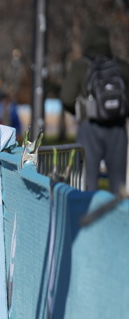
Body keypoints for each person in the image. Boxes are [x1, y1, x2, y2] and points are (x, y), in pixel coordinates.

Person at [60, 25, 129, 193]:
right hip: (117, 128)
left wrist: (81, 112)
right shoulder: (122, 66)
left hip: (89, 127)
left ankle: (88, 209)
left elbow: (67, 97)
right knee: (118, 184)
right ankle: (118, 209)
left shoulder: (80, 66)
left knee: (86, 182)